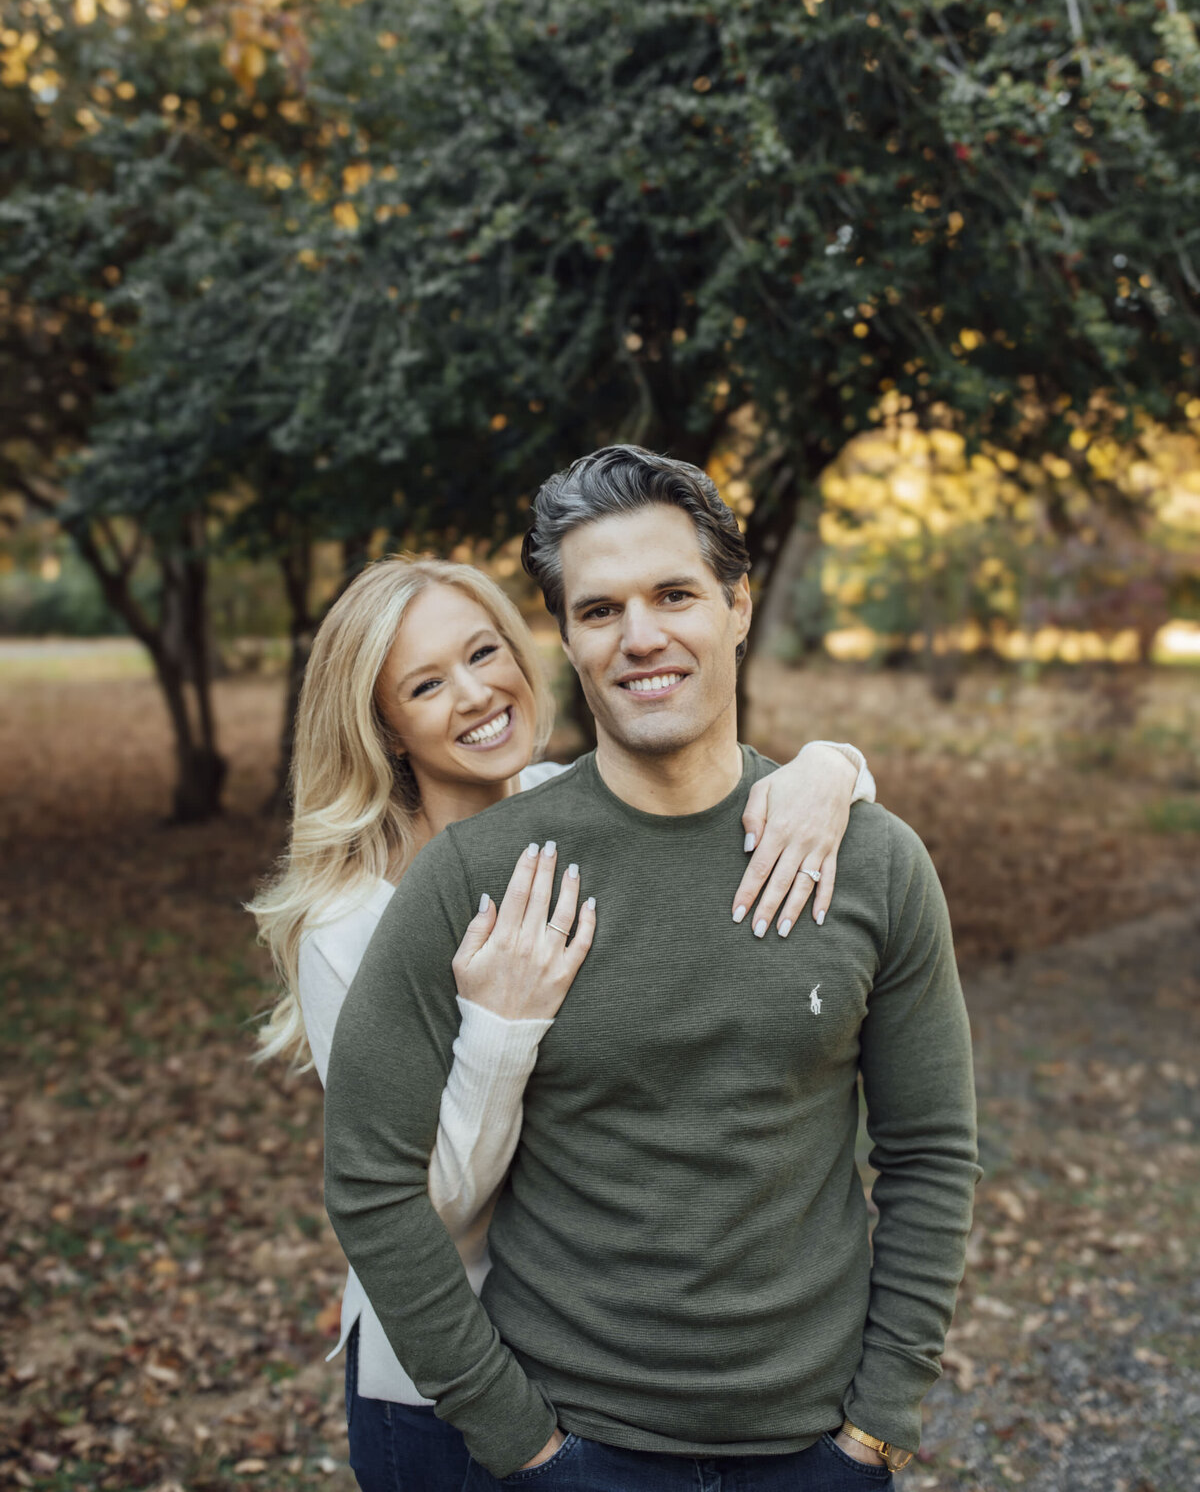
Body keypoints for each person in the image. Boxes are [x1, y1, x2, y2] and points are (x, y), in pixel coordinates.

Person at [324, 447, 981, 1491]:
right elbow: (369, 1179)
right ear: (568, 639)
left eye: (674, 595)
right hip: (571, 1444)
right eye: (600, 610)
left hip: (816, 1450)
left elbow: (932, 1151)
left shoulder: (871, 860)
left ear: (738, 606)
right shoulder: (476, 873)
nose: (640, 637)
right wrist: (519, 1442)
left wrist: (879, 1424)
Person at [249, 552, 877, 1491]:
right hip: (442, 1376)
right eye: (426, 684)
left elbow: (719, 797)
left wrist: (831, 768)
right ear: (384, 727)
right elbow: (417, 1203)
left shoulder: (567, 804)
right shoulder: (350, 925)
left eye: (484, 653)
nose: (476, 693)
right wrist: (499, 1029)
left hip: (595, 1367)